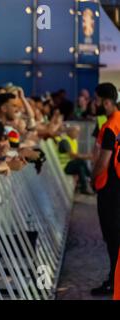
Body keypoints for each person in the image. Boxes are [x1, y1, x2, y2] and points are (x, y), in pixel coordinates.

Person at [91, 84, 120, 296]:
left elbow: (103, 162)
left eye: (97, 100)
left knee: (113, 238)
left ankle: (113, 282)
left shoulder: (110, 126)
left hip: (110, 188)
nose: (95, 103)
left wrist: (92, 177)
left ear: (106, 102)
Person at [56, 125, 93, 194]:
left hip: (70, 164)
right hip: (64, 166)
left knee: (80, 167)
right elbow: (72, 155)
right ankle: (91, 179)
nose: (78, 134)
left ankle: (85, 186)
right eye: (76, 132)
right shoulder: (65, 141)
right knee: (81, 162)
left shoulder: (74, 141)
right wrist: (87, 156)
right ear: (70, 131)